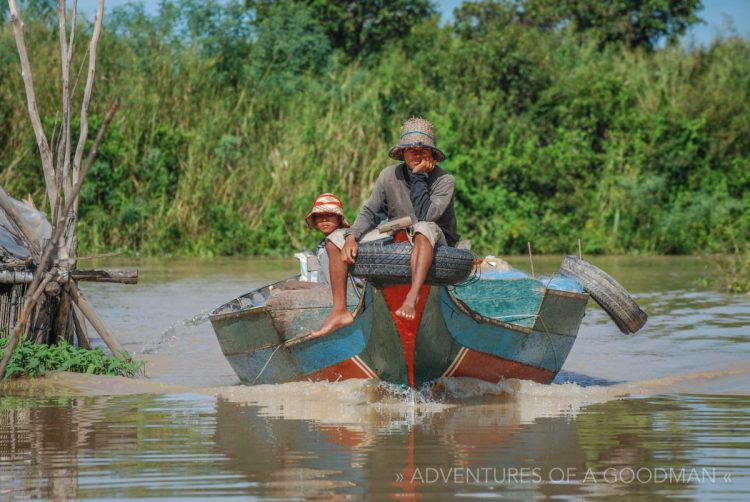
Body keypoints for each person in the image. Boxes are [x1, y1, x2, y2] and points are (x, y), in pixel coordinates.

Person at [311, 117, 458, 338]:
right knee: (336, 238)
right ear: (403, 153)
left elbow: (426, 216)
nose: (416, 154)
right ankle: (339, 311)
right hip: (397, 233)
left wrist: (419, 176)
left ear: (431, 154)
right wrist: (351, 237)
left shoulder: (445, 180)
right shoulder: (389, 175)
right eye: (410, 150)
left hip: (435, 237)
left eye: (422, 150)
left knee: (423, 228)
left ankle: (413, 296)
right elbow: (370, 212)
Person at [304, 193, 351, 285]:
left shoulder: (344, 239)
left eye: (329, 215)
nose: (324, 219)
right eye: (320, 215)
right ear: (315, 220)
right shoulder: (323, 244)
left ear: (338, 218)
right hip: (326, 289)